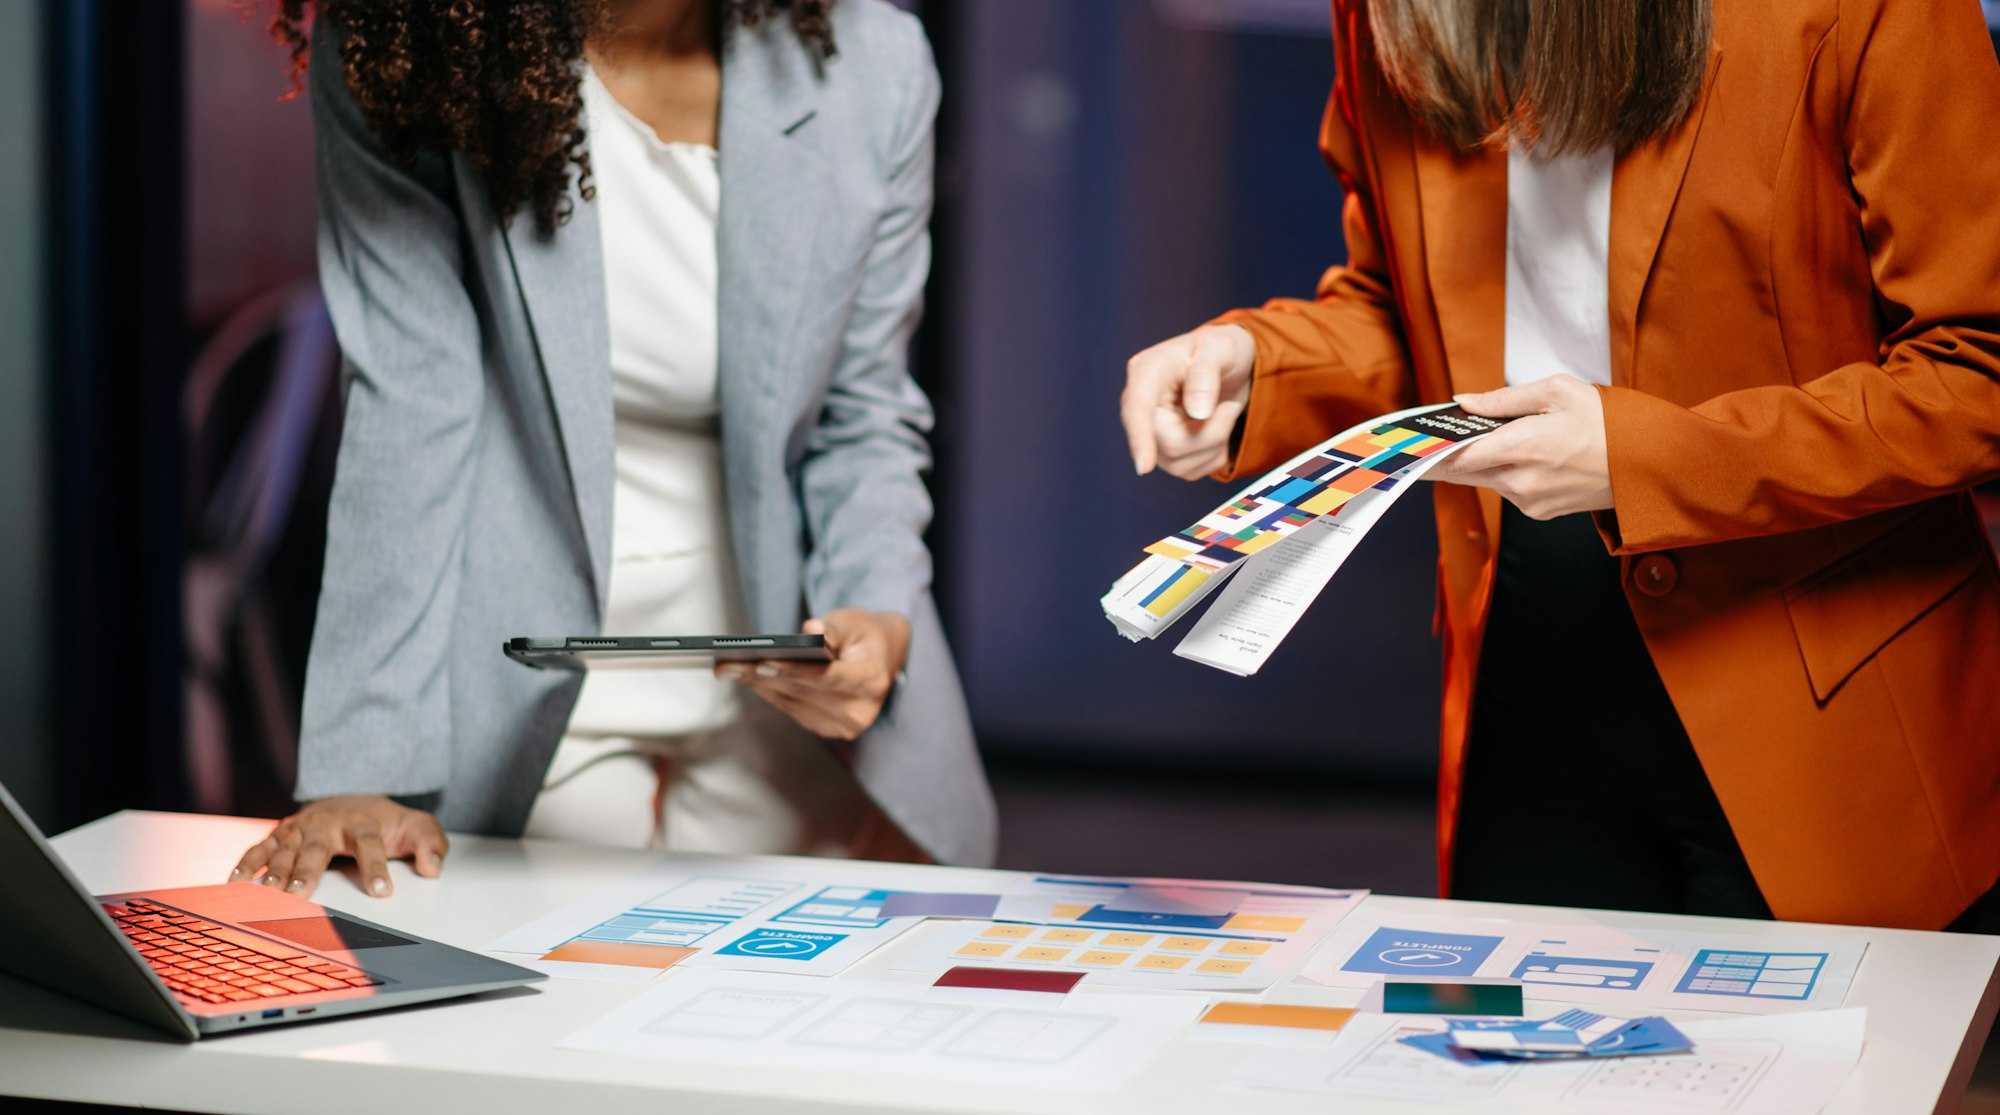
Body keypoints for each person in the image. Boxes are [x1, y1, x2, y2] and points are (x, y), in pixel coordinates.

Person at [1121, 0, 2000, 930]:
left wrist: (1643, 458)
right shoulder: (1388, 12)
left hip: (1822, 704)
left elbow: (1976, 367)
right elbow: (1406, 303)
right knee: (1507, 1065)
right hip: (1529, 668)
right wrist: (1260, 370)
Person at [231, 0, 996, 898]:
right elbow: (409, 405)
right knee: (552, 1002)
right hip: (522, 676)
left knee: (812, 1005)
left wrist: (877, 611)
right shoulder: (416, 46)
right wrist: (363, 764)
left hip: (784, 674)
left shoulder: (877, 61)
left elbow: (862, 408)